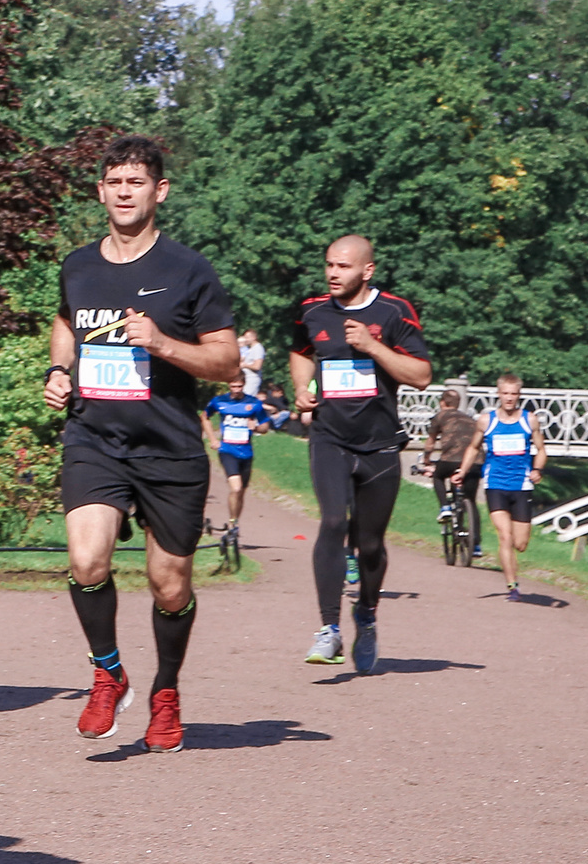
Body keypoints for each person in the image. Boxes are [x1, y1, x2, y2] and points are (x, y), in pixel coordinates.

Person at [43, 134, 240, 753]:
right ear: (101, 191)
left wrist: (161, 344)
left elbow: (227, 360)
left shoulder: (188, 270)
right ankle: (107, 671)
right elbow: (63, 322)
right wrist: (57, 370)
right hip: (95, 437)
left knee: (170, 585)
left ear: (160, 191)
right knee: (86, 560)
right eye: (114, 182)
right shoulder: (78, 266)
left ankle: (166, 691)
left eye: (136, 182)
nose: (124, 192)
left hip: (170, 447)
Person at [287, 237, 432, 673]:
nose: (333, 274)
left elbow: (422, 375)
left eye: (344, 267)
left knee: (369, 545)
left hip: (380, 444)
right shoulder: (313, 309)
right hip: (330, 437)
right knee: (332, 521)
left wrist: (374, 348)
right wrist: (302, 388)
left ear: (367, 271)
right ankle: (328, 629)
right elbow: (300, 351)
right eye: (329, 265)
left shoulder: (394, 311)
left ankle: (365, 614)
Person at [201, 371, 286, 566]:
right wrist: (213, 439)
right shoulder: (219, 401)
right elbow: (204, 417)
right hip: (227, 450)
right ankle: (232, 524)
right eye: (233, 386)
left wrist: (255, 427)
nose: (236, 390)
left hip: (246, 453)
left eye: (239, 386)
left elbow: (265, 427)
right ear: (228, 386)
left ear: (244, 385)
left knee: (241, 493)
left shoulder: (254, 404)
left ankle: (234, 522)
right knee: (236, 487)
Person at [481, 374, 547, 600]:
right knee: (505, 537)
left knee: (520, 543)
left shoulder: (530, 420)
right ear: (499, 394)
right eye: (505, 393)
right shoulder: (486, 420)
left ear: (519, 395)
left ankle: (513, 579)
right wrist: (462, 469)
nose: (509, 398)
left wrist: (537, 470)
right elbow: (473, 447)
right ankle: (513, 586)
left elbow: (541, 450)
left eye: (513, 394)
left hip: (521, 486)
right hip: (495, 484)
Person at [420, 387, 483, 562]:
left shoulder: (440, 416)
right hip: (475, 461)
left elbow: (430, 442)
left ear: (442, 403)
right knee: (469, 500)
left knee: (438, 476)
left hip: (451, 459)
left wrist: (426, 459)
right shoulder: (470, 419)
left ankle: (445, 508)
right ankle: (476, 544)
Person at [237, 329, 267, 398]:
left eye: (247, 337)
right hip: (246, 378)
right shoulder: (249, 349)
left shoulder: (258, 348)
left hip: (252, 379)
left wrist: (245, 365)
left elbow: (257, 366)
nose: (245, 340)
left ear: (254, 337)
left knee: (247, 399)